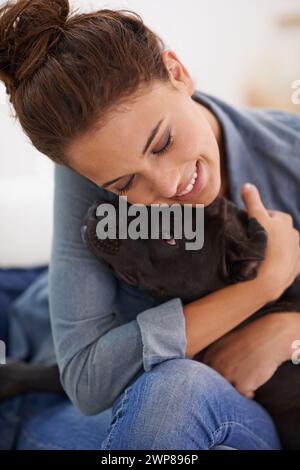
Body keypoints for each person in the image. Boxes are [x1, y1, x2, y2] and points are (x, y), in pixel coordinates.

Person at [0, 0, 300, 450]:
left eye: (163, 142)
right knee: (174, 390)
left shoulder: (289, 154)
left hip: (246, 413)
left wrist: (289, 333)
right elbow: (86, 380)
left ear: (177, 73)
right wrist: (261, 287)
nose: (168, 184)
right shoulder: (90, 171)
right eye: (124, 184)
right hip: (111, 400)